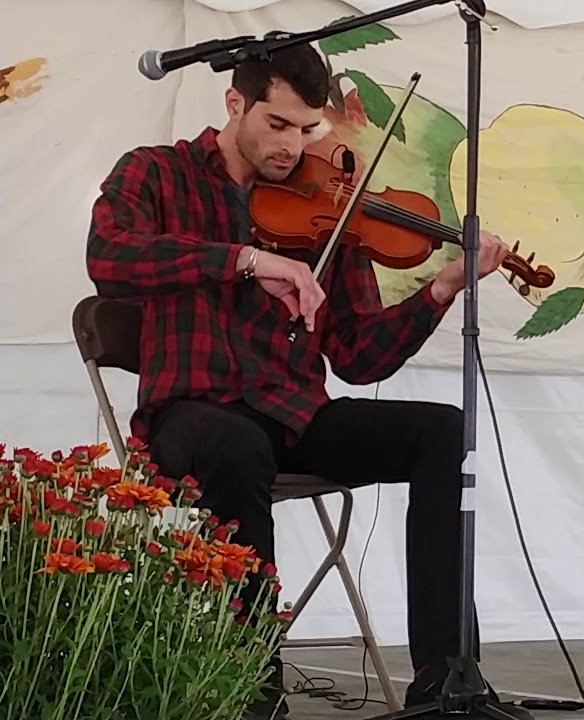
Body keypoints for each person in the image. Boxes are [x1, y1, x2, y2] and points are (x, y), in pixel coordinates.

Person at [85, 43, 526, 720]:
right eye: (277, 124)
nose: (293, 146)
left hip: (292, 413)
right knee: (234, 445)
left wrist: (440, 290)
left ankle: (444, 679)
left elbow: (357, 356)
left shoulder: (328, 205)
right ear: (235, 103)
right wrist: (244, 259)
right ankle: (251, 689)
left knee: (441, 431)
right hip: (191, 413)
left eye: (306, 128)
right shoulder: (158, 173)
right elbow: (109, 257)